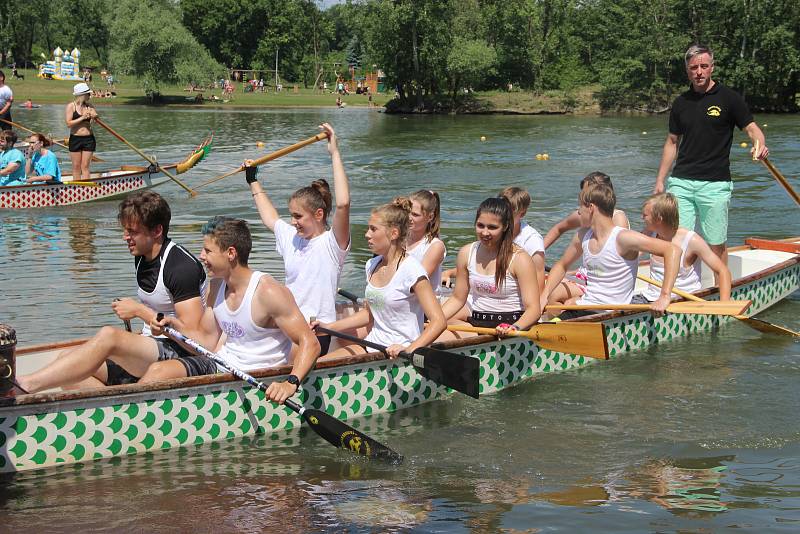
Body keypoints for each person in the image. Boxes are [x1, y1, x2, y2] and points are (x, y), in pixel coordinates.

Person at [17, 191, 212, 393]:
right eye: (125, 230)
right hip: (152, 345)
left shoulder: (180, 267)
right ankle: (117, 408)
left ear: (157, 231)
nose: (125, 237)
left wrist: (139, 311)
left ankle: (26, 386)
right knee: (69, 368)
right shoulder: (142, 255)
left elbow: (195, 342)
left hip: (182, 354)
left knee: (109, 336)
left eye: (132, 231)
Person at [149, 217, 320, 402]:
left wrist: (290, 384)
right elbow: (207, 343)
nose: (201, 256)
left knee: (158, 373)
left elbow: (310, 343)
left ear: (231, 253)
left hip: (257, 378)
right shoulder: (215, 288)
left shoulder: (268, 292)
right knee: (158, 370)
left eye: (208, 251)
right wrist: (171, 327)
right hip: (222, 365)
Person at [654, 44, 768, 269]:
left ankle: (721, 295)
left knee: (716, 245)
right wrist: (660, 179)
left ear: (712, 68)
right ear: (687, 71)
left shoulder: (729, 99)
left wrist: (760, 146)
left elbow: (753, 130)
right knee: (675, 241)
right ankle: (677, 290)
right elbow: (671, 142)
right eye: (694, 67)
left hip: (715, 184)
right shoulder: (681, 103)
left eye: (704, 66)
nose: (699, 71)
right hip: (681, 182)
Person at [246, 123, 349, 356]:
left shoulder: (332, 244)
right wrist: (252, 180)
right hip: (287, 323)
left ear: (319, 215)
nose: (292, 222)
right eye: (292, 216)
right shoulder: (292, 237)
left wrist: (335, 153)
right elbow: (270, 218)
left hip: (315, 331)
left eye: (298, 216)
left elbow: (343, 203)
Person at [315, 197, 446, 359]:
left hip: (401, 351)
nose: (367, 235)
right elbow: (369, 315)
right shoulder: (371, 264)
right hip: (373, 344)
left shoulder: (412, 271)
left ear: (394, 233)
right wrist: (329, 326)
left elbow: (439, 321)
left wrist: (411, 349)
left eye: (373, 229)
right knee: (318, 366)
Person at [542, 182, 681, 320]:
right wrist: (543, 296)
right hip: (585, 307)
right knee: (553, 310)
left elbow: (672, 250)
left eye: (580, 206)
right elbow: (561, 265)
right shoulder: (583, 235)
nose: (578, 211)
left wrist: (664, 296)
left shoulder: (623, 238)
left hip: (610, 315)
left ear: (591, 208)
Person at [439, 197, 542, 338]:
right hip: (477, 322)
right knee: (435, 327)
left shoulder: (520, 259)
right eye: (480, 226)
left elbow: (534, 309)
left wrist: (515, 327)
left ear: (505, 226)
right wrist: (435, 321)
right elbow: (457, 299)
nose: (485, 233)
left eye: (492, 227)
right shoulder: (466, 253)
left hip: (510, 326)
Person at [543, 172, 630, 304]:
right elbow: (558, 229)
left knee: (556, 295)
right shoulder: (583, 216)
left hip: (603, 284)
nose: (580, 207)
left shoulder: (618, 219)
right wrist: (537, 252)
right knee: (546, 289)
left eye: (586, 194)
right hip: (584, 276)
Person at [634, 192, 731, 303]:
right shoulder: (650, 234)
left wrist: (724, 303)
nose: (642, 218)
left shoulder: (692, 240)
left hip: (682, 300)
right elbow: (631, 255)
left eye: (645, 215)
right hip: (650, 298)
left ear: (659, 219)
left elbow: (723, 271)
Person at [407, 190, 446, 293]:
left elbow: (416, 285)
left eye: (415, 215)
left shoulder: (435, 246)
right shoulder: (399, 239)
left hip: (423, 307)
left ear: (430, 217)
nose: (409, 218)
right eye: (407, 212)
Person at [65, 82, 98, 181]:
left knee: (85, 166)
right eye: (88, 94)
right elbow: (68, 124)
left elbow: (95, 118)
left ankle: (86, 189)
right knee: (76, 167)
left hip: (89, 139)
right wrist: (83, 117)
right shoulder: (71, 106)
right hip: (75, 138)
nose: (89, 96)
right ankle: (77, 188)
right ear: (82, 95)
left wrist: (95, 116)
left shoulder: (90, 106)